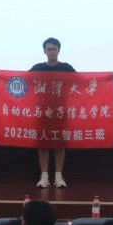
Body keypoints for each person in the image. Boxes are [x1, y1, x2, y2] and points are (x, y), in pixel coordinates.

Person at [29, 37, 74, 188]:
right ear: (44, 51)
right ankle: (44, 176)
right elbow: (23, 80)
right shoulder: (37, 68)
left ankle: (58, 176)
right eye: (49, 49)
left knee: (60, 143)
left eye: (54, 49)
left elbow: (80, 82)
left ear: (59, 51)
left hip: (61, 110)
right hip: (42, 111)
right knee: (43, 142)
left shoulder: (66, 68)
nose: (51, 52)